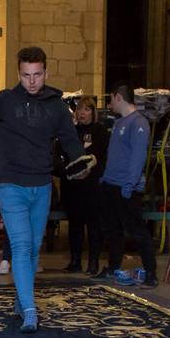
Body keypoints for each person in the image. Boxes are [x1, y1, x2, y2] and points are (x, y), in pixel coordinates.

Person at [0, 46, 86, 333]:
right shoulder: (5, 101)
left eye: (37, 75)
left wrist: (81, 162)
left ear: (45, 73)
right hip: (10, 183)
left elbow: (70, 140)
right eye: (25, 75)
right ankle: (30, 310)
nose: (31, 81)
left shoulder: (57, 105)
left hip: (42, 184)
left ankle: (23, 299)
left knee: (34, 248)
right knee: (20, 245)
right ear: (18, 74)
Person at [96, 85, 158, 288]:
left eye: (111, 99)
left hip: (127, 187)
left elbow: (138, 157)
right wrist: (105, 178)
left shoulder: (138, 123)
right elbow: (115, 156)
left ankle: (150, 273)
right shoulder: (119, 122)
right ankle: (114, 267)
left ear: (118, 96)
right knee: (113, 230)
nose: (109, 103)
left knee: (137, 231)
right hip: (111, 185)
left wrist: (129, 185)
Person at [63, 95, 109, 275]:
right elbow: (64, 154)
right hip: (73, 187)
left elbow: (98, 155)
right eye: (79, 109)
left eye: (86, 109)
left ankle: (93, 263)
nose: (82, 113)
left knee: (93, 226)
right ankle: (75, 260)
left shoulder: (100, 131)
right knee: (75, 225)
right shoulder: (71, 131)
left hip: (92, 187)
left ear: (93, 113)